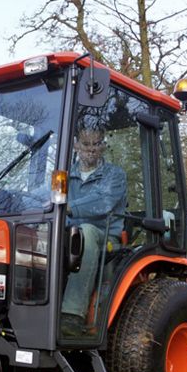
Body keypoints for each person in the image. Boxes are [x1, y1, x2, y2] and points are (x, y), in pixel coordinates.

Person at [61, 127, 127, 336]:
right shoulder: (65, 176)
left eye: (96, 144)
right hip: (68, 234)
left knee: (85, 231)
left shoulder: (114, 175)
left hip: (104, 236)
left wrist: (68, 206)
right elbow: (44, 195)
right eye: (86, 144)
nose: (91, 150)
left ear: (103, 147)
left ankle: (72, 314)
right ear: (76, 146)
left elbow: (103, 201)